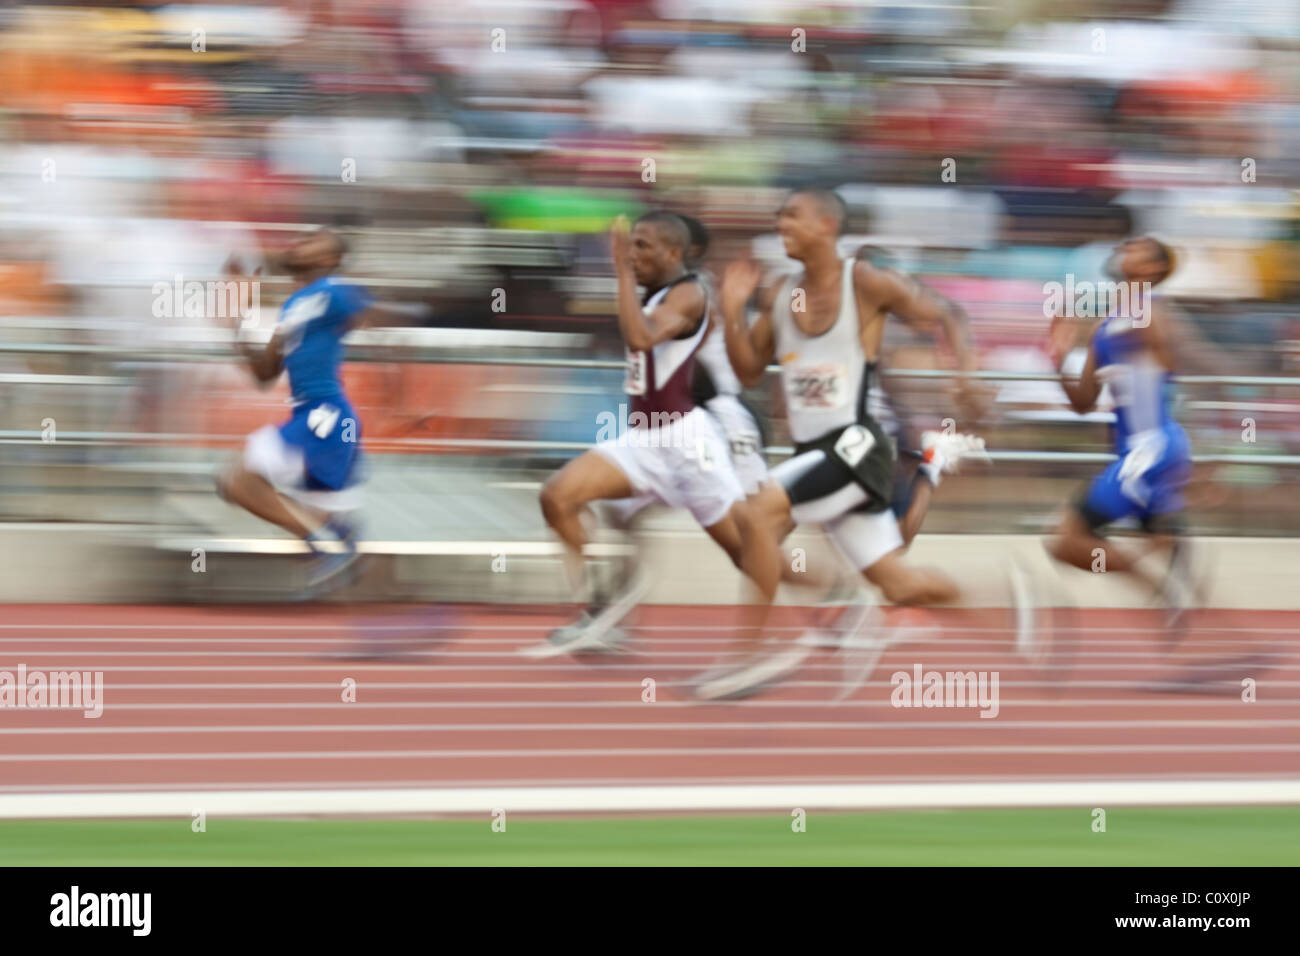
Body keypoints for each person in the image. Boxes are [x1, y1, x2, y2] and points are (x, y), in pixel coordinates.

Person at [709, 187, 987, 699]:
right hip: (815, 452)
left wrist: (964, 376)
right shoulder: (783, 293)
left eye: (792, 215)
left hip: (858, 444)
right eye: (778, 217)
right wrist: (730, 312)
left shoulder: (865, 283)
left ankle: (751, 654)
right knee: (897, 584)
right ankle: (1003, 604)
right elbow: (749, 370)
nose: (780, 224)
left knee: (755, 515)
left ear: (826, 225)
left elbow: (948, 313)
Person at [526, 212, 752, 658]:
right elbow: (638, 343)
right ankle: (605, 610)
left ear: (676, 253)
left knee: (748, 551)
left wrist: (621, 274)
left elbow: (642, 337)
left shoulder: (690, 293)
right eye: (631, 246)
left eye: (642, 247)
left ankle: (829, 592)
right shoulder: (657, 291)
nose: (632, 255)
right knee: (561, 498)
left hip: (699, 434)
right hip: (645, 437)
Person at [217, 228, 397, 594]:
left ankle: (324, 548)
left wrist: (400, 398)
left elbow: (384, 322)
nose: (299, 243)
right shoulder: (295, 305)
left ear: (329, 259)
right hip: (312, 418)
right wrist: (237, 320)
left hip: (325, 416)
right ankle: (341, 541)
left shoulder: (334, 290)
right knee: (250, 489)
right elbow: (265, 373)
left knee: (237, 481)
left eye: (313, 240)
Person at [1045, 235, 1196, 634]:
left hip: (1152, 449)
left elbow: (1170, 356)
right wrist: (1058, 358)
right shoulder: (1105, 326)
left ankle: (1166, 592)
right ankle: (1182, 596)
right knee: (1154, 542)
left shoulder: (1151, 312)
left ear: (1152, 270)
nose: (1124, 247)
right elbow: (1082, 402)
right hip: (1138, 454)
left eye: (1137, 248)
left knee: (1065, 540)